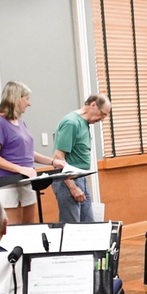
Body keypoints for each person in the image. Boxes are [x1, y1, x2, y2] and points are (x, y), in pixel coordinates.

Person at [0, 81, 64, 225]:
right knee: (14, 233)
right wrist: (20, 169)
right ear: (16, 98)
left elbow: (27, 153)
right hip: (8, 185)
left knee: (29, 229)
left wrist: (52, 162)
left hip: (26, 182)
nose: (29, 104)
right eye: (27, 99)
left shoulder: (20, 123)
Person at [51, 94, 110, 223]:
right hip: (67, 181)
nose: (102, 119)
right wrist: (72, 187)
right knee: (72, 228)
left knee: (88, 225)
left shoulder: (84, 123)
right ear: (93, 105)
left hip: (81, 178)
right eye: (102, 114)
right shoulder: (71, 123)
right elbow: (58, 159)